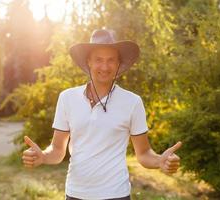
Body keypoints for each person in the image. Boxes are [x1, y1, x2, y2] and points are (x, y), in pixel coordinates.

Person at [22, 29, 182, 200]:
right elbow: (58, 150)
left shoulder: (133, 102)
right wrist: (43, 157)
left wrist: (160, 161)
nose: (104, 67)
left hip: (116, 194)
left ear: (118, 64)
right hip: (75, 194)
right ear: (88, 62)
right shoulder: (67, 98)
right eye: (98, 60)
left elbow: (143, 154)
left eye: (111, 60)